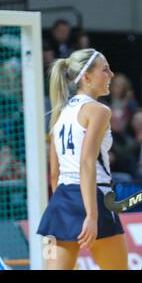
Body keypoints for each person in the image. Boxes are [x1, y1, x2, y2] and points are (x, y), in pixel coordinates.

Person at [37, 48, 128, 270]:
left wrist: (63, 208)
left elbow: (54, 174)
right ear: (86, 77)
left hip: (61, 201)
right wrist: (91, 215)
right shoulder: (98, 110)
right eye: (105, 70)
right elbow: (86, 162)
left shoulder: (59, 112)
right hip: (93, 197)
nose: (111, 74)